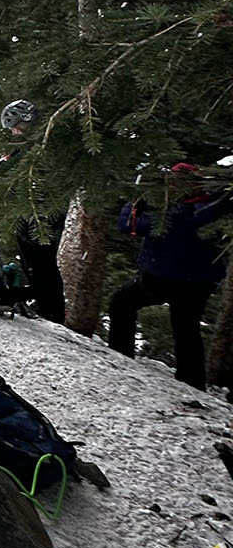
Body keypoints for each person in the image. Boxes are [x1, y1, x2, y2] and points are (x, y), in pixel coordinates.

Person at [110, 165, 231, 390]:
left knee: (122, 303)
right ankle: (193, 382)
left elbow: (128, 225)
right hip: (201, 282)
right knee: (187, 328)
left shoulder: (172, 214)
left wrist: (134, 203)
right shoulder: (213, 206)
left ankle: (121, 357)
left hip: (162, 278)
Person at [0, 99, 66, 323]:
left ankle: (52, 312)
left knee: (43, 264)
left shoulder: (45, 145)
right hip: (28, 210)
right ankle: (44, 305)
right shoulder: (23, 147)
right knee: (34, 263)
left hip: (44, 212)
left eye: (17, 126)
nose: (15, 132)